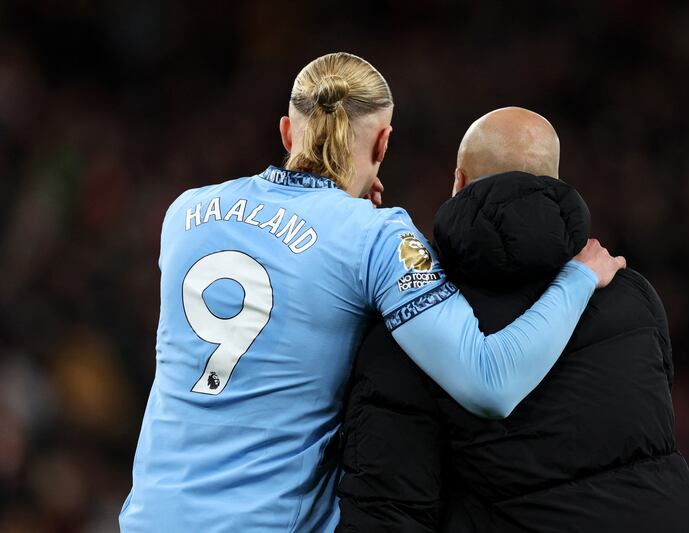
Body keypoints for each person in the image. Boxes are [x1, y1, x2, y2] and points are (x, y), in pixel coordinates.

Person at [119, 55, 625, 532]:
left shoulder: (185, 213)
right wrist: (577, 279)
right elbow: (490, 382)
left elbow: (288, 276)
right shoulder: (377, 237)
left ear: (287, 131)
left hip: (148, 517)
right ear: (383, 144)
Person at [337, 107, 689, 532]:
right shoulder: (632, 297)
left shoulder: (414, 326)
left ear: (458, 182)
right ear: (555, 186)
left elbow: (389, 509)